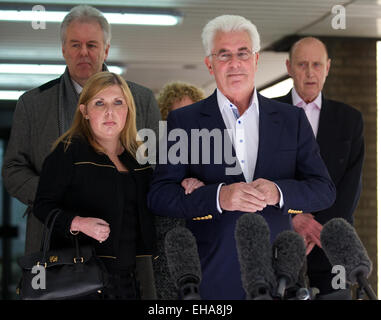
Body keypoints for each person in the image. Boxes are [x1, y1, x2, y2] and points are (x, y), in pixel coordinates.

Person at [147, 15, 336, 300]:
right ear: (209, 64)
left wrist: (278, 191)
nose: (234, 63)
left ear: (256, 59)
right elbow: (160, 195)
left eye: (242, 53)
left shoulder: (292, 120)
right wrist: (219, 197)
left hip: (279, 279)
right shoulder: (184, 121)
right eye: (224, 55)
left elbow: (324, 189)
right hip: (210, 279)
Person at [1, 5, 160, 257]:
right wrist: (58, 197)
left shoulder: (141, 99)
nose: (83, 52)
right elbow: (12, 169)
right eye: (75, 45)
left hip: (127, 239)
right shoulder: (33, 103)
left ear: (106, 49)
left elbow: (156, 165)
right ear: (63, 49)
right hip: (53, 242)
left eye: (92, 45)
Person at [32, 71, 156, 299]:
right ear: (85, 111)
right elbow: (42, 205)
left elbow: (155, 204)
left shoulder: (138, 159)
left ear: (128, 110)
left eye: (118, 102)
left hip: (128, 278)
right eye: (100, 103)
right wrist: (78, 223)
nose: (110, 111)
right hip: (81, 278)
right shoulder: (68, 152)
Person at [275, 37, 364, 298]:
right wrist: (293, 219)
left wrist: (316, 229)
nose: (310, 72)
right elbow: (261, 175)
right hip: (282, 239)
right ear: (289, 67)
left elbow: (350, 187)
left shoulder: (349, 119)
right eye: (302, 64)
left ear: (328, 67)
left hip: (332, 242)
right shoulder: (268, 114)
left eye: (316, 64)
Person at [154, 81, 205, 299]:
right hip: (166, 252)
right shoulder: (154, 156)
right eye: (178, 115)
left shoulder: (215, 152)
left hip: (205, 252)